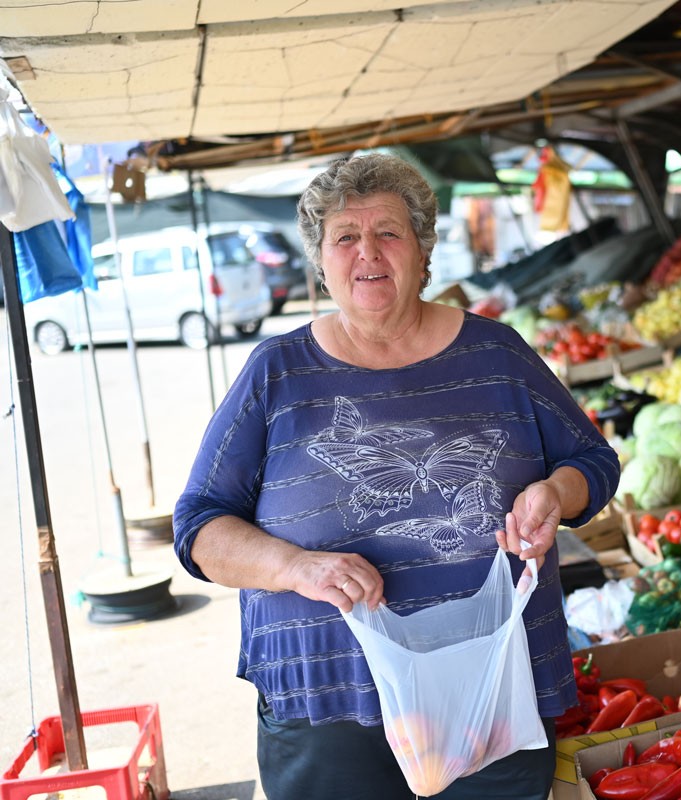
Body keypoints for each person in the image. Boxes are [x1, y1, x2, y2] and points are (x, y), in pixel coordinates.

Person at [173, 153, 620, 800]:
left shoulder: (498, 355)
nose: (367, 253)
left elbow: (593, 463)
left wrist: (555, 492)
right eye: (345, 238)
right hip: (330, 699)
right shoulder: (277, 374)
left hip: (489, 689)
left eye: (387, 232)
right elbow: (199, 526)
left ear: (421, 248)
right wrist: (298, 569)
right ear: (321, 261)